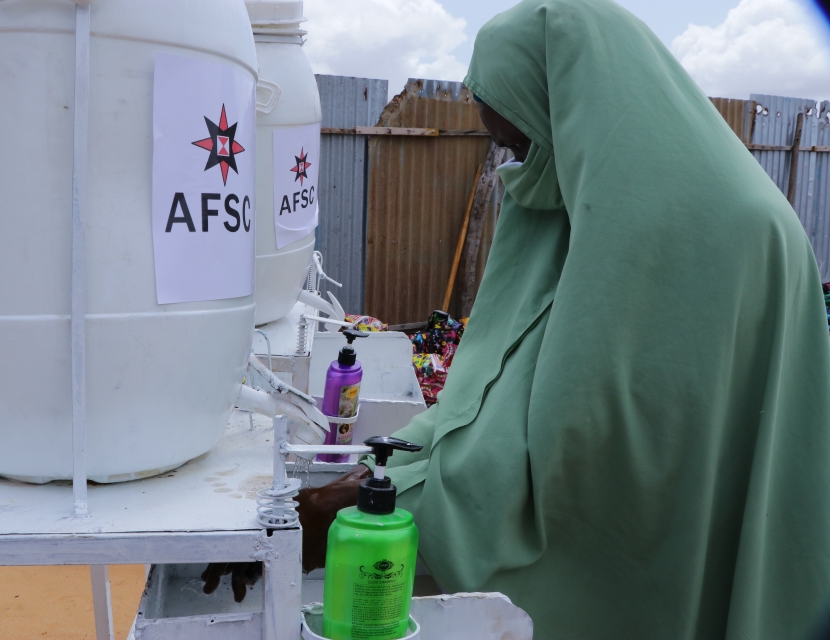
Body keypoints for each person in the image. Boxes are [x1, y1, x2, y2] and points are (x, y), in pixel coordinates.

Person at [206, 0, 830, 636]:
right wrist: (381, 475)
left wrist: (366, 505)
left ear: (572, 116)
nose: (517, 167)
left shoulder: (717, 234)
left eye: (524, 142)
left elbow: (596, 467)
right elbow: (493, 392)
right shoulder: (584, 199)